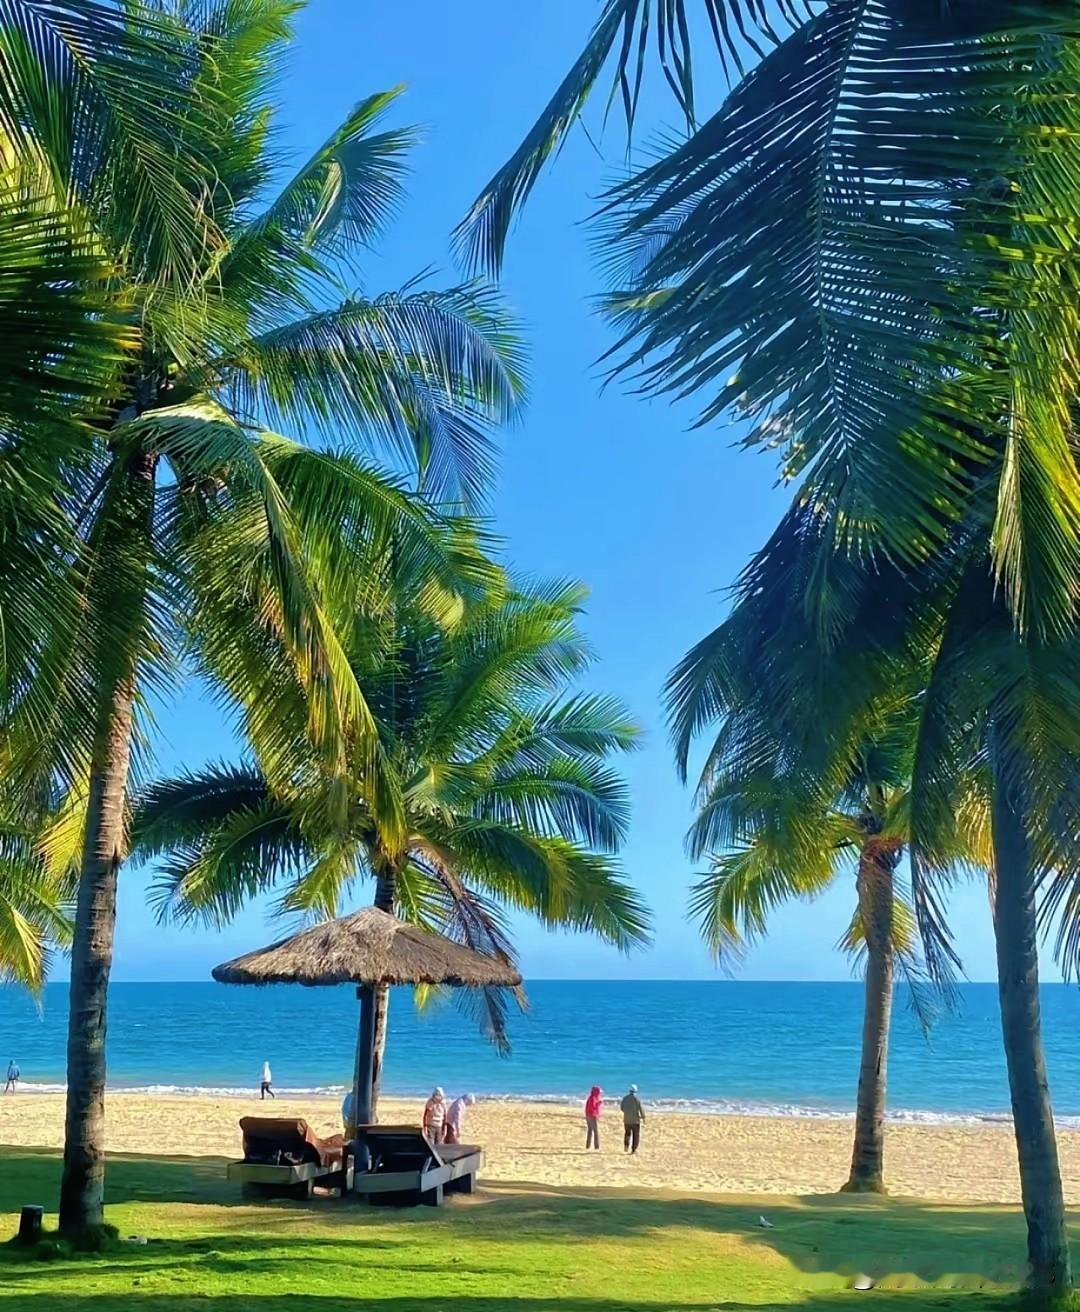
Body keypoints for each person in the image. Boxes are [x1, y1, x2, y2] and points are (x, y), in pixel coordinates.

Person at [620, 1083, 644, 1154]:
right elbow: (641, 1109)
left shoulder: (625, 1098)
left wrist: (627, 1113)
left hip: (626, 1120)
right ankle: (633, 1149)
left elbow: (622, 1108)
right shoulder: (637, 1099)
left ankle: (626, 1145)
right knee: (635, 1136)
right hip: (635, 1120)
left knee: (627, 1133)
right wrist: (643, 1116)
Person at [584, 1085, 603, 1150]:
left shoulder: (591, 1098)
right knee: (595, 1131)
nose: (600, 1094)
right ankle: (596, 1146)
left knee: (590, 1130)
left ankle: (588, 1145)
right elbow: (592, 1108)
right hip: (592, 1116)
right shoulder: (593, 1098)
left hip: (588, 1115)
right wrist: (599, 1104)